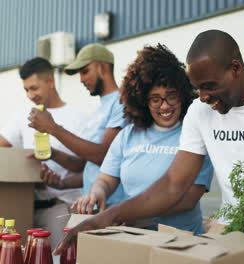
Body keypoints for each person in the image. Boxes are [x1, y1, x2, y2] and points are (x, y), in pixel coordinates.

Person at [54, 30, 244, 254]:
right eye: (197, 88)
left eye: (209, 86)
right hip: (233, 238)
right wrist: (107, 217)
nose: (203, 97)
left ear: (235, 68)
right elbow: (173, 184)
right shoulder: (200, 111)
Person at [72, 44, 213, 234]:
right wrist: (97, 193)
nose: (164, 106)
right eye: (155, 99)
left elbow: (188, 199)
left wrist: (131, 214)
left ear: (182, 94)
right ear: (142, 101)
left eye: (171, 96)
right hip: (136, 237)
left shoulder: (193, 134)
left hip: (182, 239)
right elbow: (106, 179)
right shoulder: (128, 135)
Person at [0, 57, 86, 248]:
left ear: (50, 81)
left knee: (54, 257)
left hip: (60, 206)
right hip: (25, 203)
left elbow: (83, 165)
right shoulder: (22, 116)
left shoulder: (78, 119)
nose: (30, 95)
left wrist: (52, 154)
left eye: (34, 88)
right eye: (26, 90)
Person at [28, 44, 127, 208]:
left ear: (103, 67)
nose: (81, 79)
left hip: (112, 206)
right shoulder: (98, 111)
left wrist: (52, 127)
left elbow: (103, 157)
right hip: (90, 205)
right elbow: (84, 164)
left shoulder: (121, 103)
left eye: (85, 71)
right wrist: (54, 160)